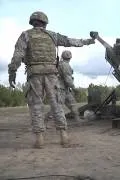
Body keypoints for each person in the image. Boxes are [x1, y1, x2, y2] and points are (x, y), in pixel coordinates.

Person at [7, 11, 95, 148]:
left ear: (32, 22)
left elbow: (18, 56)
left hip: (34, 74)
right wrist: (89, 41)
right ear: (45, 23)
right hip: (52, 74)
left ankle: (39, 139)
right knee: (57, 105)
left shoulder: (25, 35)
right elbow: (71, 41)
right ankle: (64, 137)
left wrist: (12, 72)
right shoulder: (52, 35)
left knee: (36, 106)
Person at [45, 50, 81, 126]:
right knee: (58, 107)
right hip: (60, 89)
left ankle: (78, 120)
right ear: (70, 57)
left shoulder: (61, 64)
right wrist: (74, 88)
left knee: (72, 104)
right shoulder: (65, 65)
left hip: (65, 89)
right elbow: (68, 79)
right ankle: (45, 122)